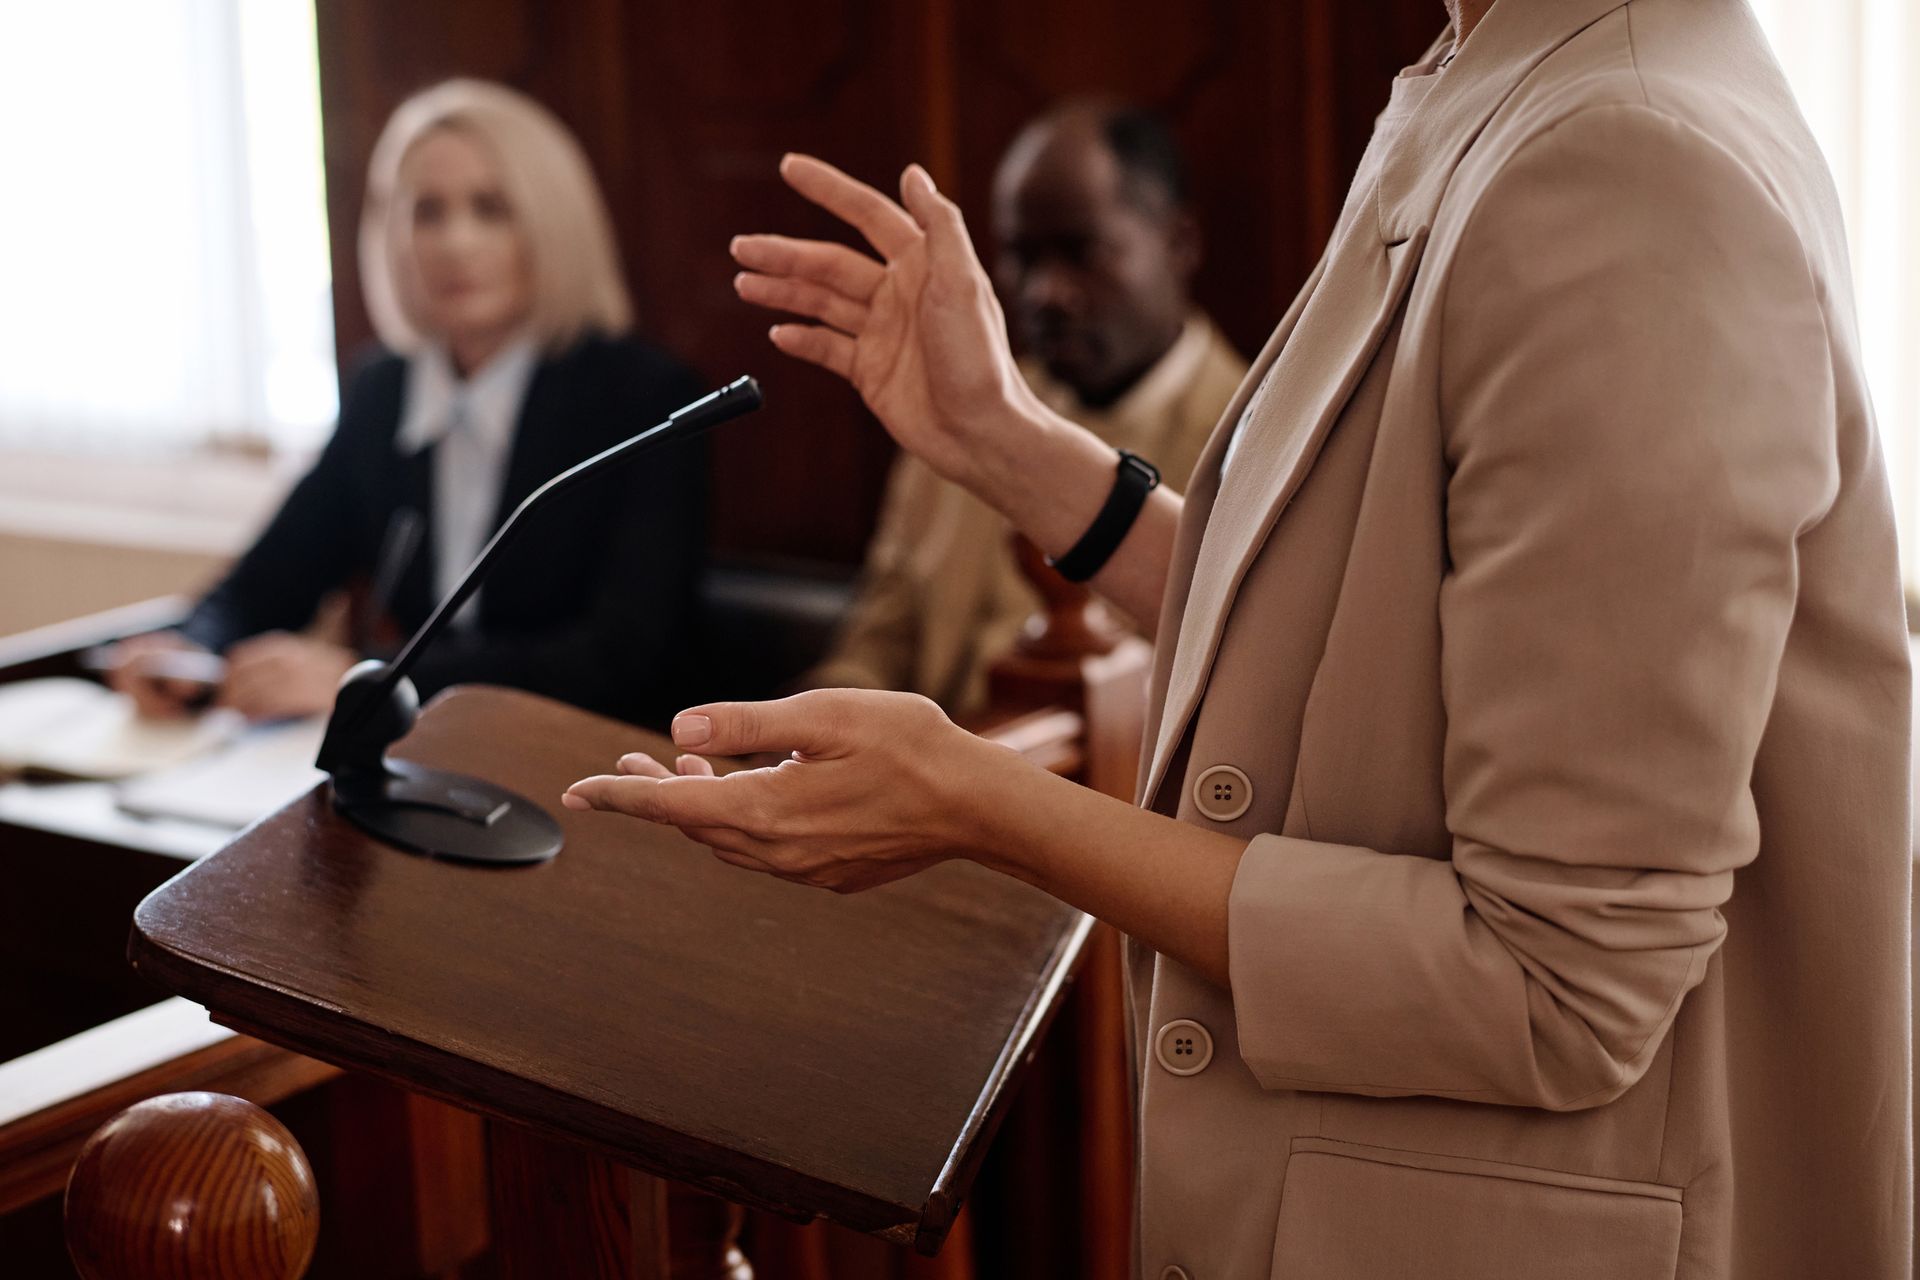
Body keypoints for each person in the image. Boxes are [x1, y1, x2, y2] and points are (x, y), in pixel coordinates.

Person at [568, 0, 1912, 1275]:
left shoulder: (1628, 162)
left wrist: (983, 803)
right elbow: (1355, 640)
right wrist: (1009, 444)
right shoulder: (1498, 78)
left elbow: (1556, 982)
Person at [108, 79, 707, 728]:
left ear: (550, 223)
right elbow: (270, 579)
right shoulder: (384, 389)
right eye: (427, 211)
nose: (455, 242)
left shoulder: (643, 398)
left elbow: (621, 659)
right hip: (420, 757)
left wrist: (368, 677)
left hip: (584, 764)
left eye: (491, 208)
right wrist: (191, 648)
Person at [804, 101, 1246, 715]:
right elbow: (881, 636)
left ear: (1178, 242)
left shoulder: (1252, 445)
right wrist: (805, 738)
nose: (1046, 292)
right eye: (1023, 256)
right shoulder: (957, 405)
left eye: (1080, 251)